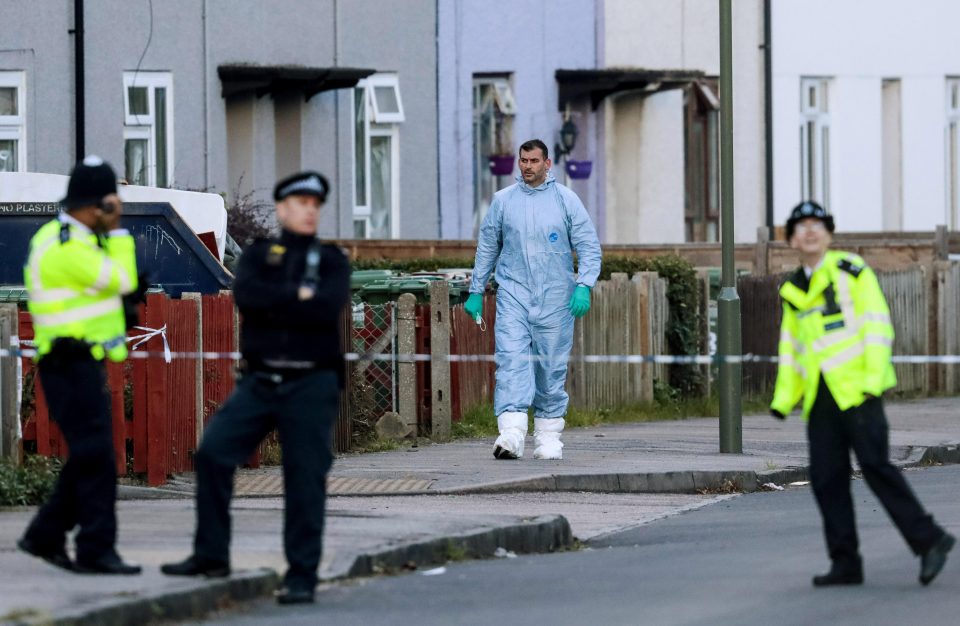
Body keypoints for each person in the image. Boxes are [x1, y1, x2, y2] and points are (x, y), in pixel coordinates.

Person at [161, 171, 350, 605]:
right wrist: (297, 296)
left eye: (314, 204)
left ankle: (302, 574)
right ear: (282, 208)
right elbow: (248, 296)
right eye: (300, 202)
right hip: (261, 381)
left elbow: (325, 307)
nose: (308, 210)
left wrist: (284, 300)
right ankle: (211, 555)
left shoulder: (332, 259)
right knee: (213, 452)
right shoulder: (261, 254)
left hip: (311, 382)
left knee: (304, 476)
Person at [771, 200, 955, 587]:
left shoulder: (851, 272)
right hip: (821, 398)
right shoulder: (793, 289)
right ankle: (845, 562)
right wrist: (783, 399)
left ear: (829, 234)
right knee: (826, 479)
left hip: (859, 391)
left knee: (876, 468)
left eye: (817, 224)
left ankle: (930, 540)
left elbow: (876, 327)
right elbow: (792, 348)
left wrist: (873, 382)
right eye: (801, 226)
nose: (809, 231)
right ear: (791, 239)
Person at [18, 156, 142, 575]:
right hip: (66, 363)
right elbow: (124, 279)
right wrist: (120, 233)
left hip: (79, 363)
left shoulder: (77, 239)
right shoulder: (67, 245)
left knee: (92, 455)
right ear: (99, 204)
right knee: (97, 457)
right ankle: (93, 548)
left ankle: (47, 535)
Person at [465, 139, 601, 460]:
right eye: (523, 161)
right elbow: (487, 247)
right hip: (514, 295)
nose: (527, 166)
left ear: (547, 163)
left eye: (534, 161)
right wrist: (475, 289)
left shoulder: (566, 201)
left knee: (550, 368)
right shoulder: (503, 202)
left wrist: (584, 285)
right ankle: (511, 433)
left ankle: (548, 437)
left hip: (556, 300)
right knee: (511, 360)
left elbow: (589, 246)